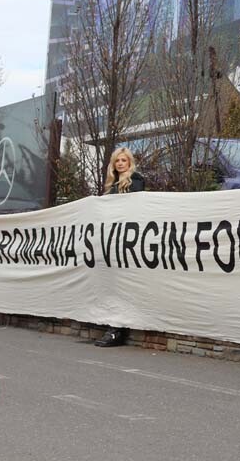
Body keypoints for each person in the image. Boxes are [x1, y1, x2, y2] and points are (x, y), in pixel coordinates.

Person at [95, 147, 146, 347]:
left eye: (124, 160)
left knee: (123, 285)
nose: (120, 164)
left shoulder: (137, 180)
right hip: (113, 240)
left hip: (128, 240)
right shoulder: (112, 185)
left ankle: (117, 330)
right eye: (117, 161)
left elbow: (134, 207)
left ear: (129, 162)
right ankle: (113, 326)